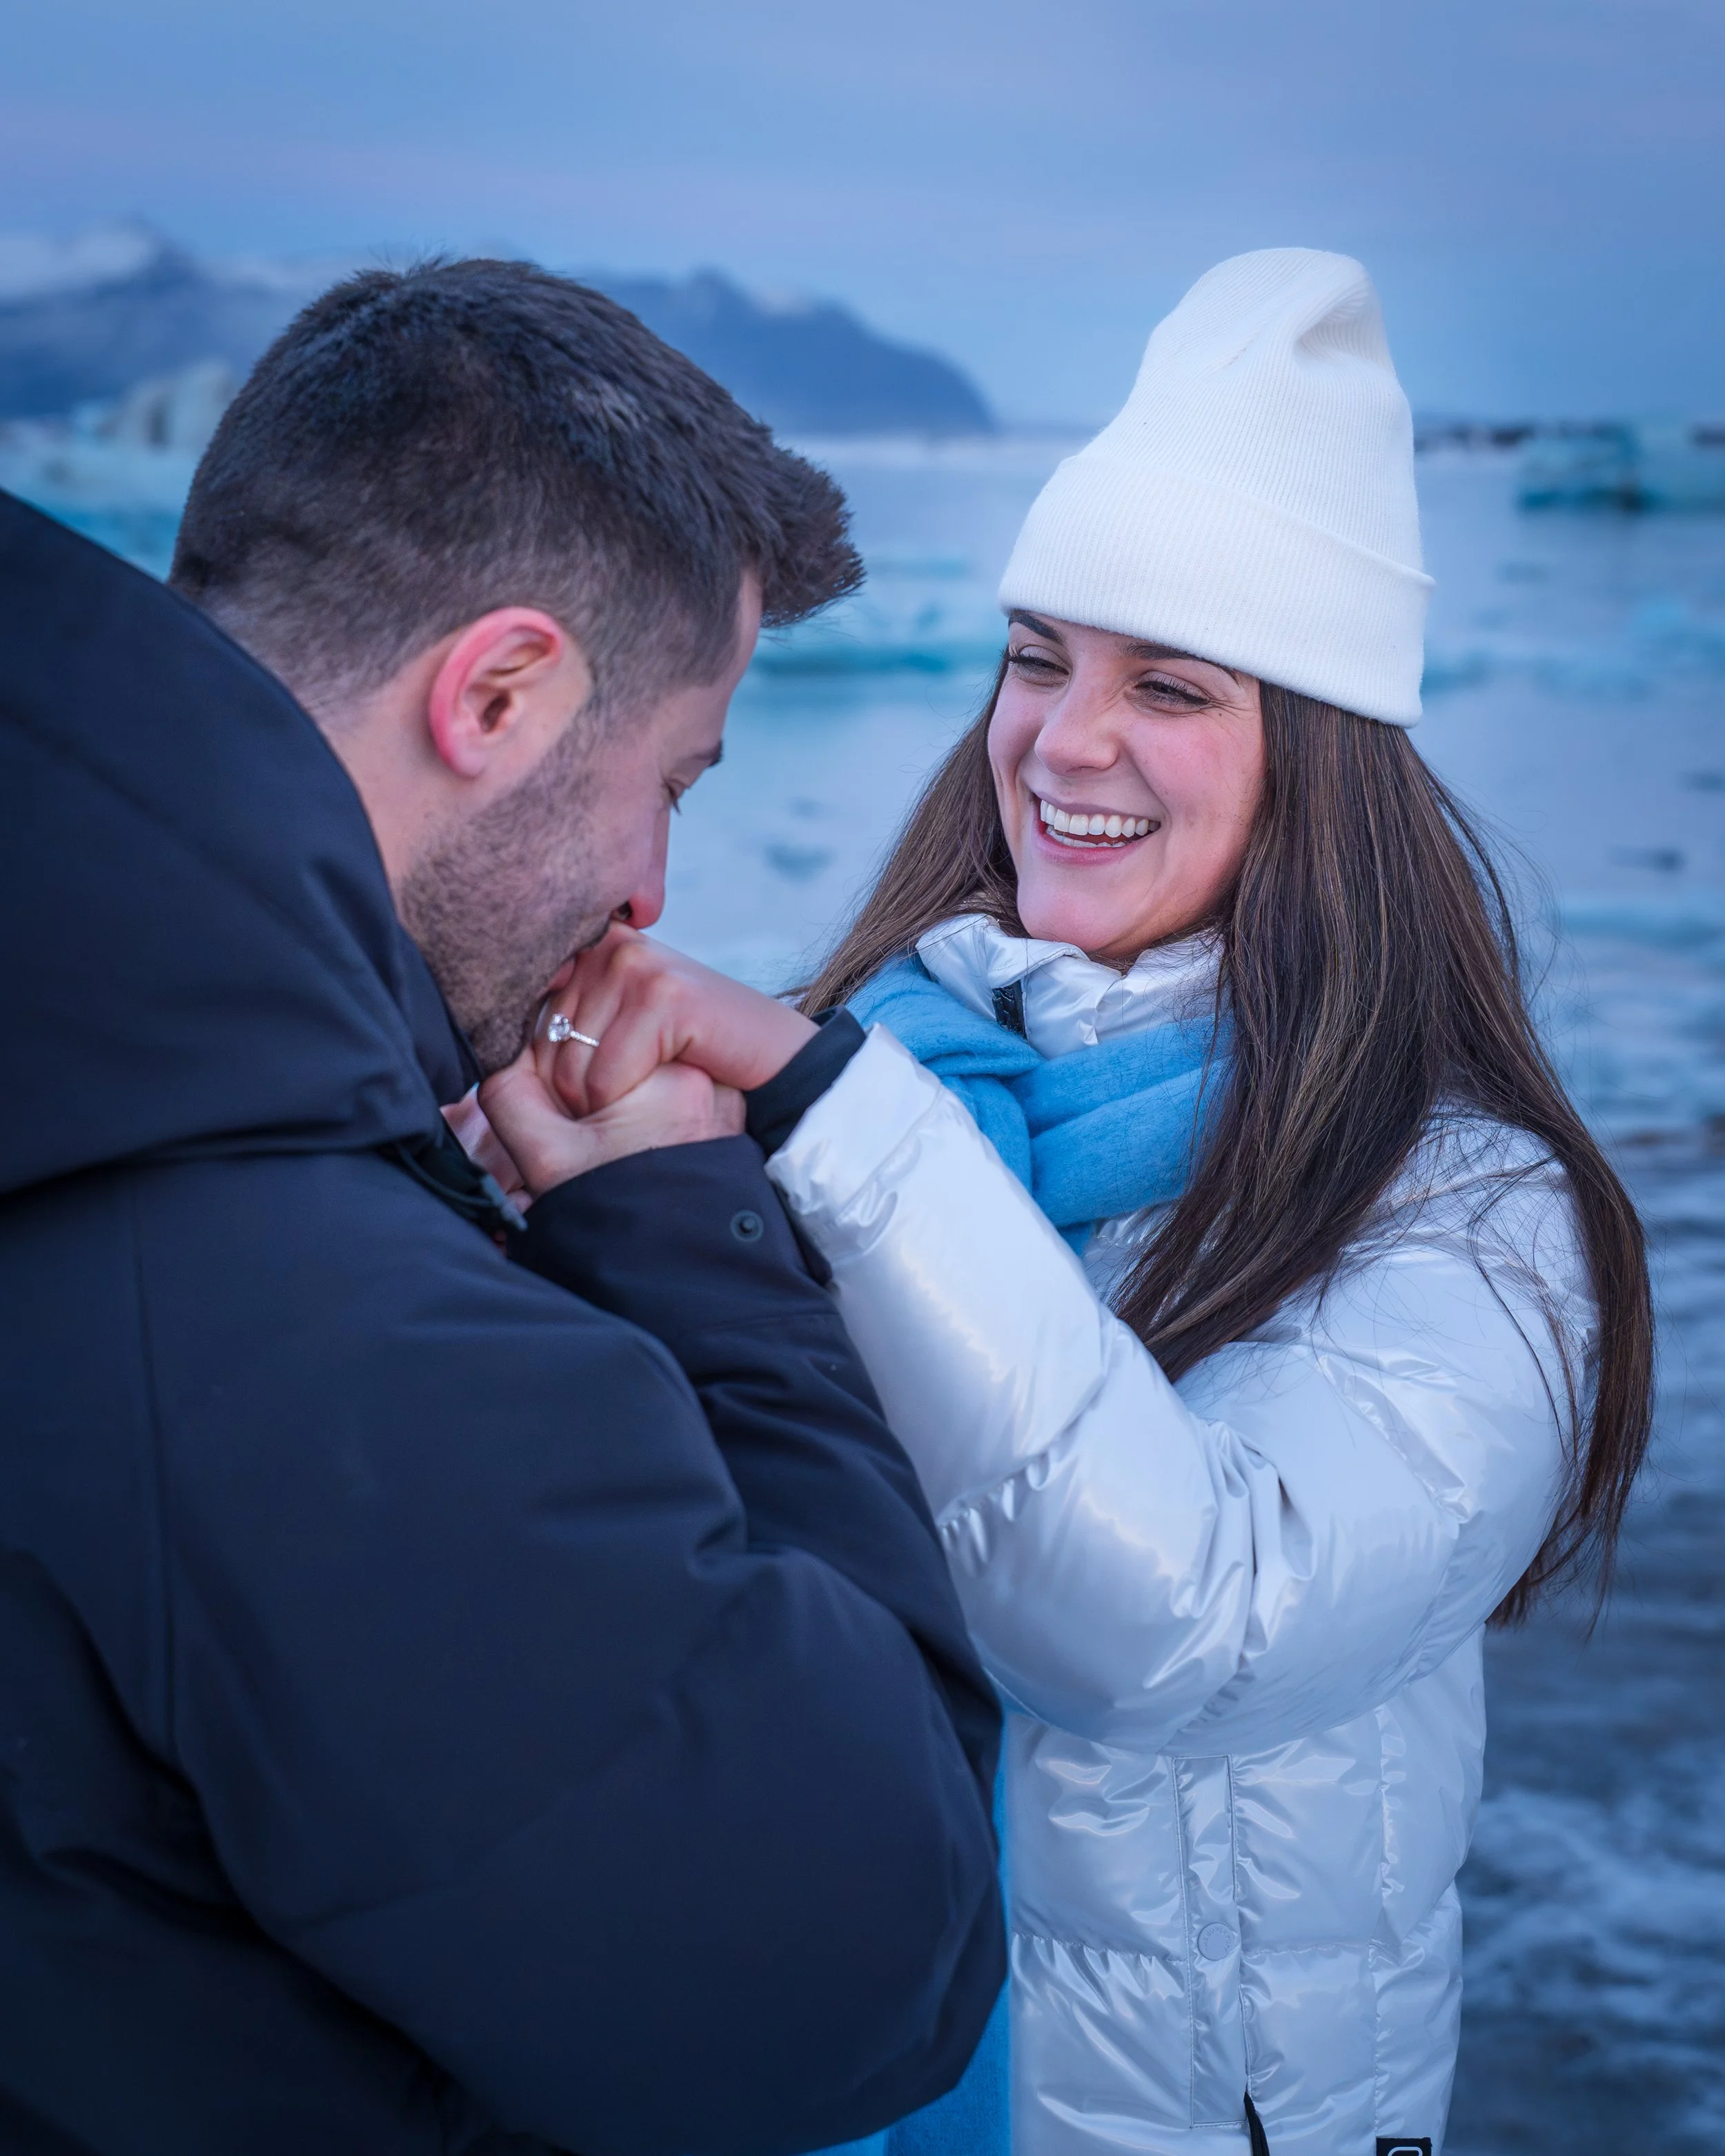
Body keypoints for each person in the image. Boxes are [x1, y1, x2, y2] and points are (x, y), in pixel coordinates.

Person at [536, 251, 1655, 2156]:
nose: (1062, 737)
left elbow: (1183, 1622)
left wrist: (829, 1116)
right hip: (826, 2066)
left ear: (1316, 759)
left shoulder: (1471, 1209)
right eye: (1038, 654)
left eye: (1168, 685)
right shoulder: (903, 1059)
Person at [0, 260, 1006, 2155]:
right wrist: (697, 1248)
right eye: (671, 782)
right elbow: (858, 1956)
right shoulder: (302, 1327)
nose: (645, 889)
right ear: (502, 691)